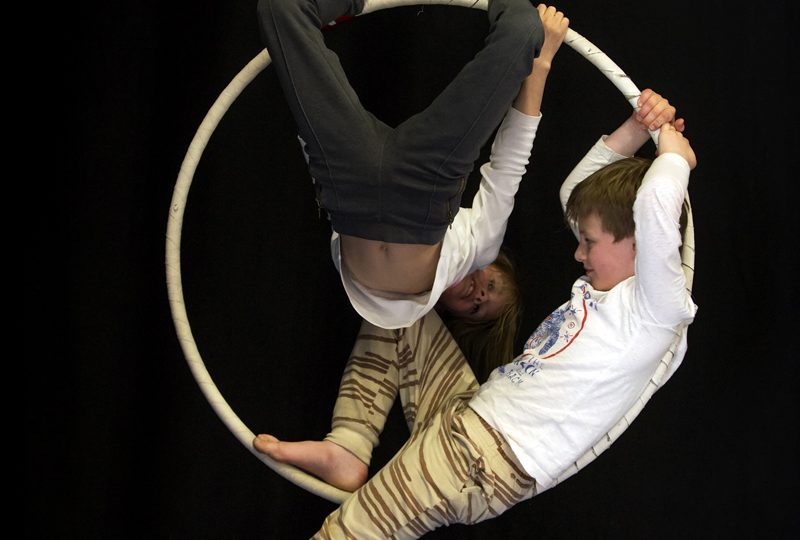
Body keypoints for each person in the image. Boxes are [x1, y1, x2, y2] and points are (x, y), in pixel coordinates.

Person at [254, 88, 697, 538]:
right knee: (403, 317)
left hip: (481, 456)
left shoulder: (654, 310)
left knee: (348, 532)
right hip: (468, 416)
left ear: (642, 241)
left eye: (590, 242)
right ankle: (350, 444)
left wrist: (674, 156)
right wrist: (639, 128)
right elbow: (575, 194)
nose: (578, 253)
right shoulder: (605, 288)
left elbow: (656, 204)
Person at [257, 0, 566, 330]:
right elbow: (509, 166)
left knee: (281, 7)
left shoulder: (396, 302)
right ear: (492, 269)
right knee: (524, 31)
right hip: (427, 180)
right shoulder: (481, 248)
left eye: (479, 309)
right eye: (491, 287)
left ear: (455, 317)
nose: (479, 296)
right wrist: (542, 61)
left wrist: (313, 136)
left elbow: (324, 184)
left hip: (348, 183)